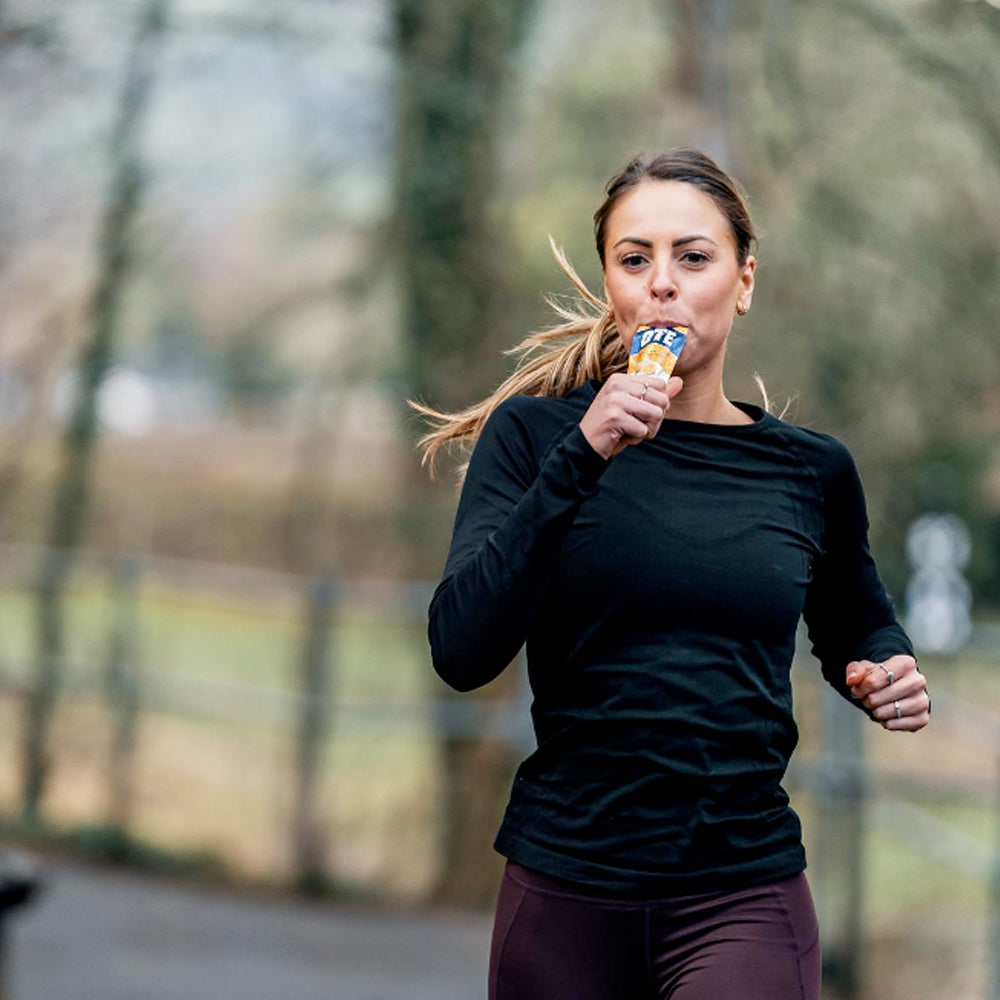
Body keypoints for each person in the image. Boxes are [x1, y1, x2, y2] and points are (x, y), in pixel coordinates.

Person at [414, 148, 931, 1000]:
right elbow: (461, 650)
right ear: (611, 286)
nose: (664, 283)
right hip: (563, 889)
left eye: (693, 257)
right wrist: (585, 453)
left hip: (741, 893)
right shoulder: (534, 439)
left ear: (744, 281)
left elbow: (857, 626)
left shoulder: (810, 471)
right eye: (635, 259)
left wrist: (883, 670)